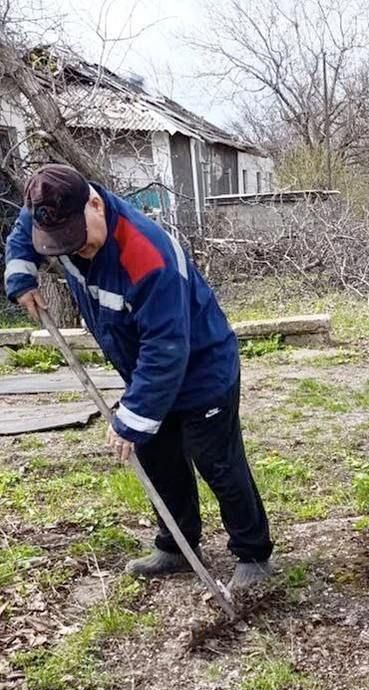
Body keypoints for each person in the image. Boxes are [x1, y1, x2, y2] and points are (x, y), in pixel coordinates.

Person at [4, 164, 274, 591]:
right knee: (157, 456)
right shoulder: (53, 211)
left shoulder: (147, 256)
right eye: (61, 243)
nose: (76, 251)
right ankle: (177, 547)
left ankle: (253, 553)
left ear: (95, 203)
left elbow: (167, 350)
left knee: (216, 462)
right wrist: (21, 275)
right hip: (144, 366)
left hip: (200, 367)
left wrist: (133, 416)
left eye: (81, 239)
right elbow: (25, 231)